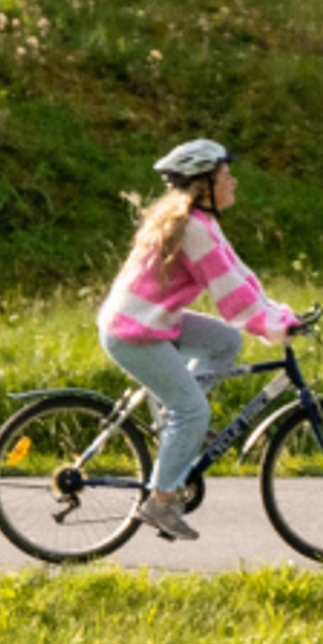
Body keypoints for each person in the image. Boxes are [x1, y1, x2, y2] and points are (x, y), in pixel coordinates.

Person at [99, 137, 305, 541]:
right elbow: (231, 296)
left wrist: (277, 314)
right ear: (203, 185)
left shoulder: (201, 223)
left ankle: (181, 424)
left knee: (225, 342)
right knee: (192, 410)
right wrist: (273, 326)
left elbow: (242, 277)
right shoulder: (195, 230)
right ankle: (160, 502)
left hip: (150, 320)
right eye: (227, 175)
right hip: (132, 332)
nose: (234, 181)